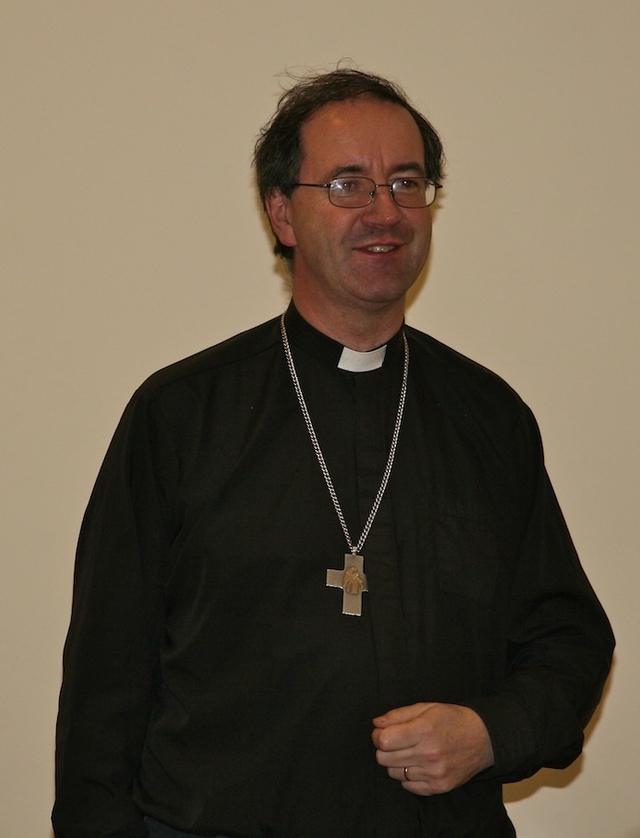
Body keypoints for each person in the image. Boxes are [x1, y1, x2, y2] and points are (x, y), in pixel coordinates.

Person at [53, 68, 614, 838]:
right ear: (281, 212)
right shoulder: (181, 414)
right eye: (349, 184)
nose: (385, 211)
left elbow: (571, 643)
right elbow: (103, 687)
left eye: (408, 183)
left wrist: (492, 733)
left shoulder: (489, 418)